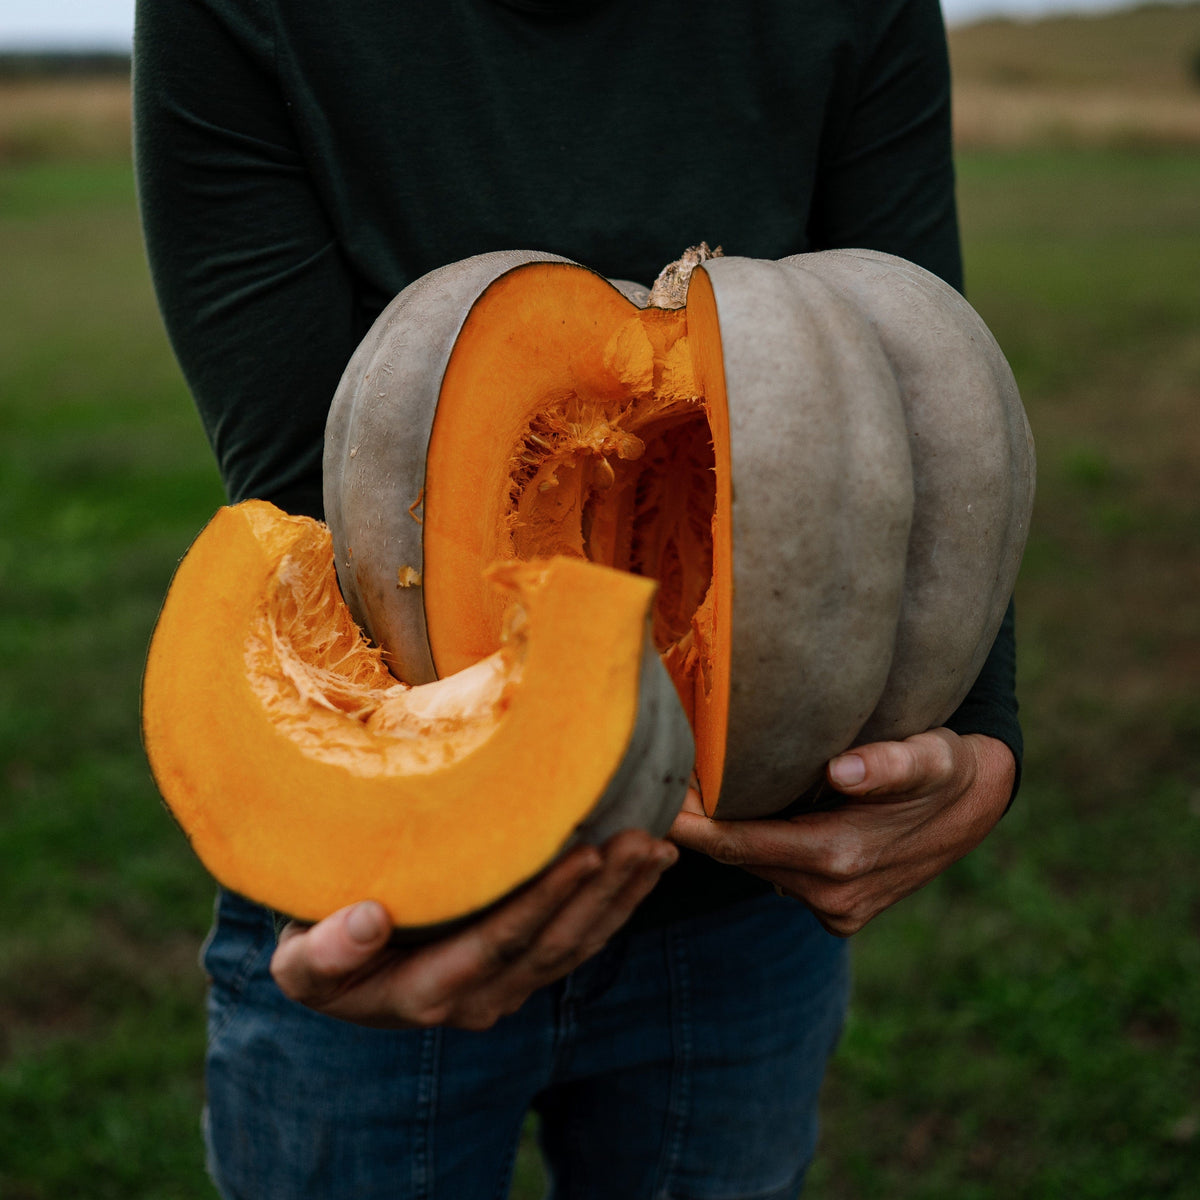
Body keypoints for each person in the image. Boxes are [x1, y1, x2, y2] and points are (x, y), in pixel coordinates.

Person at [134, 1, 1021, 1196]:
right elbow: (311, 489)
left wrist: (983, 742)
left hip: (742, 875)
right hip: (388, 894)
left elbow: (924, 434)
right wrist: (420, 839)